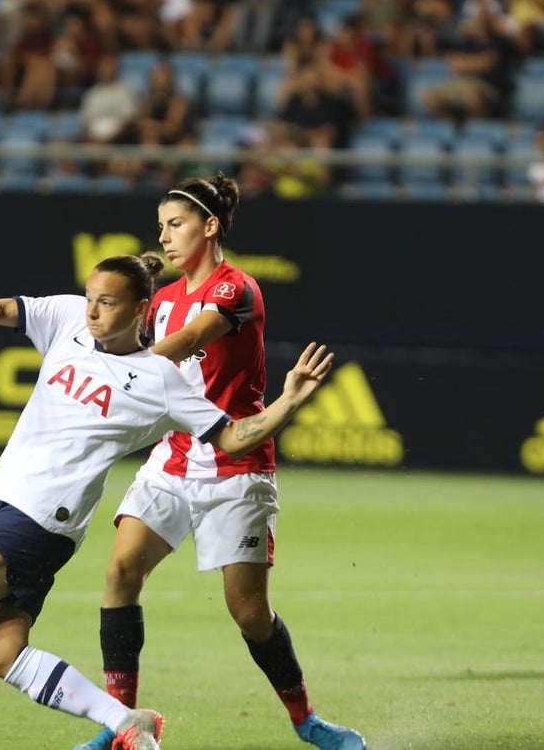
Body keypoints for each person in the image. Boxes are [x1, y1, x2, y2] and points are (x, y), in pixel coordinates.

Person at [0, 253, 337, 750]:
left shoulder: (159, 380)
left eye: (107, 302)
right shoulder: (67, 320)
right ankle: (126, 721)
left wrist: (288, 400)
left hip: (43, 515)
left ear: (141, 310)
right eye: (90, 297)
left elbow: (233, 437)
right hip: (6, 502)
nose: (93, 311)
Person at [72, 177, 366, 750]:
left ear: (209, 227)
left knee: (249, 611)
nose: (165, 236)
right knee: (121, 572)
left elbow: (187, 341)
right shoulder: (162, 298)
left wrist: (116, 368)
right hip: (174, 457)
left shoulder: (237, 289)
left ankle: (307, 720)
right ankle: (122, 723)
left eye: (176, 224)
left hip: (237, 464)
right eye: (160, 226)